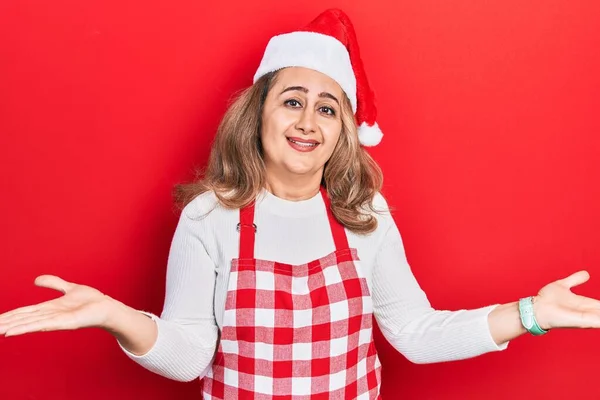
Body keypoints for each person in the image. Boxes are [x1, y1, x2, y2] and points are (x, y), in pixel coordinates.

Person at [1, 8, 599, 399]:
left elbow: (415, 331)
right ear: (257, 113)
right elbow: (188, 358)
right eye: (292, 100)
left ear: (343, 131)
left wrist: (531, 315)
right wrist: (114, 316)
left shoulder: (366, 216)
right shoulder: (208, 218)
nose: (308, 120)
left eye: (328, 107)